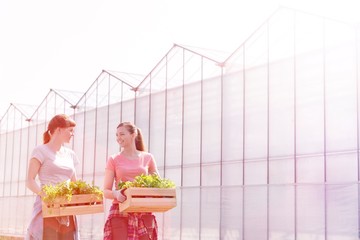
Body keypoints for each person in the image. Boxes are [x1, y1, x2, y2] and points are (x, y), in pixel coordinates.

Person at [25, 114, 80, 240]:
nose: (72, 134)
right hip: (47, 207)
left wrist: (86, 196)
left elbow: (74, 184)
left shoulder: (70, 155)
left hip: (67, 208)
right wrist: (46, 195)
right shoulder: (40, 151)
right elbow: (29, 181)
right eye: (70, 130)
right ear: (59, 130)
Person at [103, 121, 159, 240]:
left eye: (122, 134)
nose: (118, 138)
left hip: (143, 211)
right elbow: (105, 191)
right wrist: (116, 193)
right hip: (120, 212)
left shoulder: (148, 157)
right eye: (117, 135)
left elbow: (158, 184)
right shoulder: (113, 159)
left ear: (133, 134)